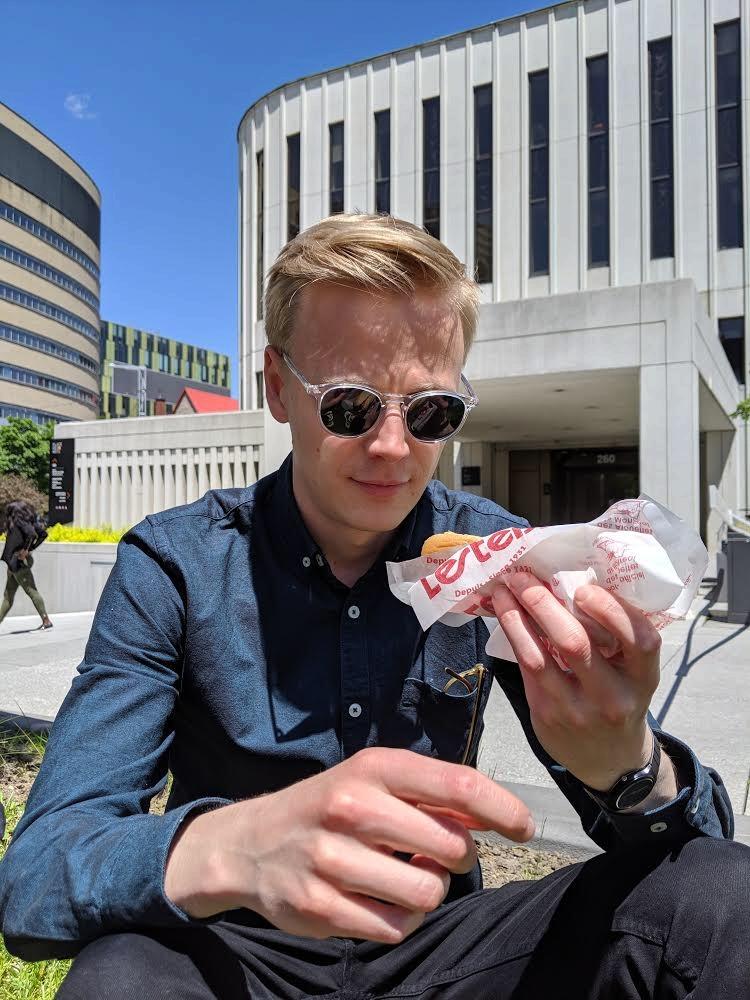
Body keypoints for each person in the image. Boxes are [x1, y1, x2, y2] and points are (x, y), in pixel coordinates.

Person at [0, 214, 747, 999]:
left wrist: (628, 766)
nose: (394, 447)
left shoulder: (496, 555)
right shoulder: (177, 565)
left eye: (430, 413)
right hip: (234, 949)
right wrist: (241, 845)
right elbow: (40, 873)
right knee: (120, 977)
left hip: (445, 948)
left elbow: (694, 855)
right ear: (279, 387)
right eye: (352, 407)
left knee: (722, 902)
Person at [0, 500, 52, 630]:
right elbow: (43, 534)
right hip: (14, 564)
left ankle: (46, 620)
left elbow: (32, 534)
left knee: (31, 591)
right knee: (8, 597)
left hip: (18, 563)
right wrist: (30, 548)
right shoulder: (30, 522)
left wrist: (25, 550)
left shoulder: (18, 523)